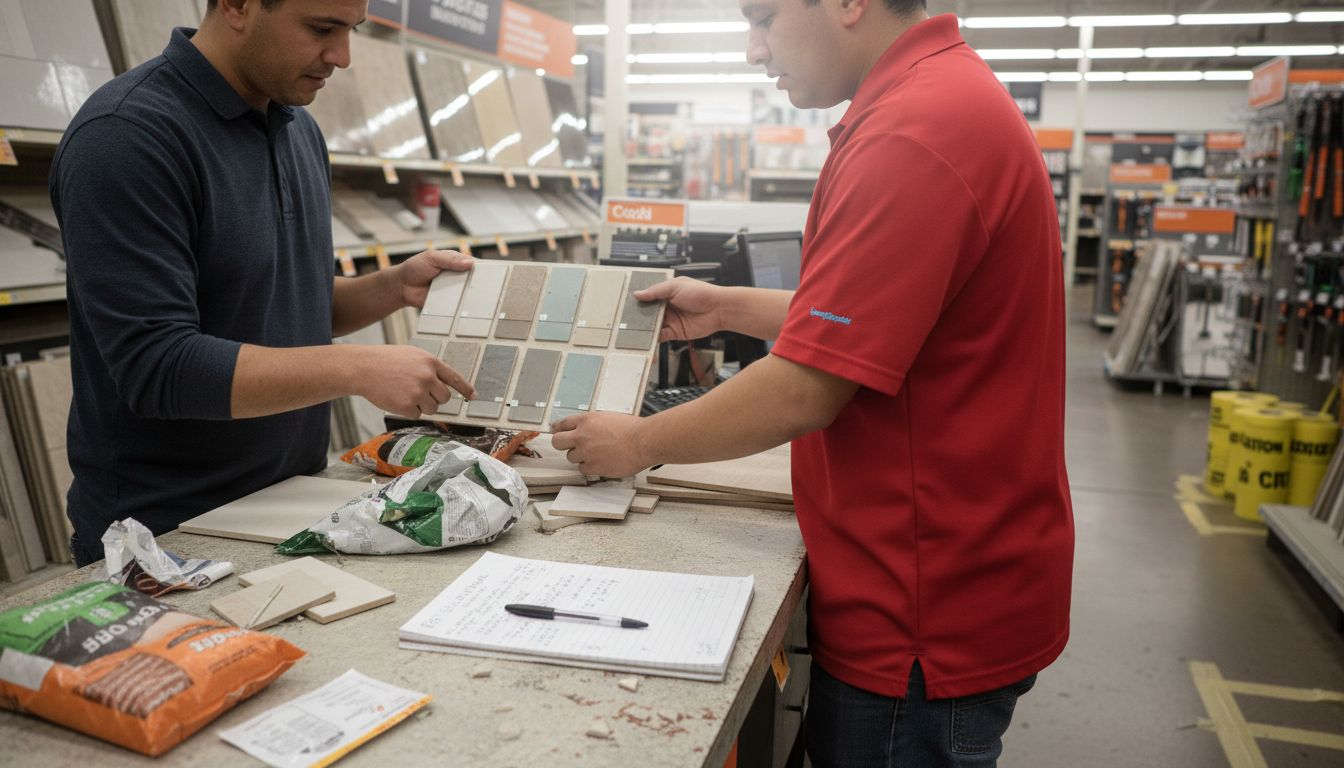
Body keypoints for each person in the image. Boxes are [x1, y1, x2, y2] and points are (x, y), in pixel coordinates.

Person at [551, 1, 1074, 765]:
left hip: (922, 607)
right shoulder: (936, 100)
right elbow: (875, 317)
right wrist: (728, 306)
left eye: (763, 17)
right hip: (948, 572)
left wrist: (633, 442)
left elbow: (804, 388)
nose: (753, 49)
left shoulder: (912, 131)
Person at [50, 0, 474, 567]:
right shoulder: (126, 137)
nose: (342, 57)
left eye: (352, 31)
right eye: (322, 28)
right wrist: (358, 368)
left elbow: (286, 304)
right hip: (166, 537)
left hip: (290, 503)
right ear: (238, 5)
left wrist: (394, 286)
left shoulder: (298, 128)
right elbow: (157, 366)